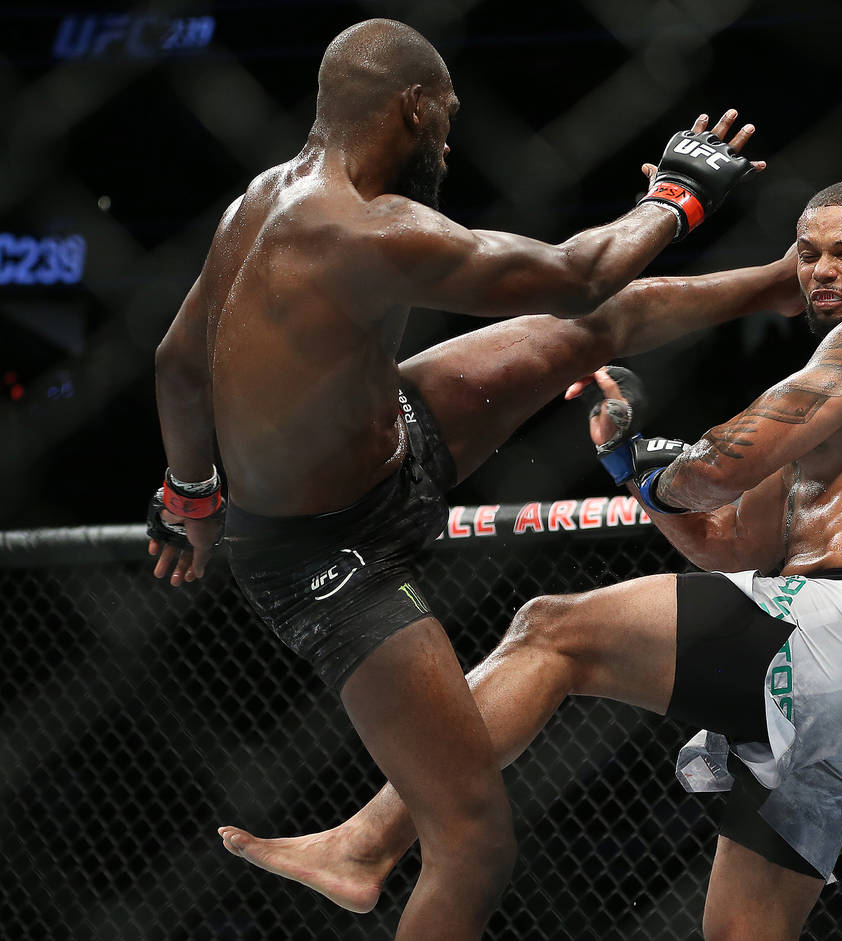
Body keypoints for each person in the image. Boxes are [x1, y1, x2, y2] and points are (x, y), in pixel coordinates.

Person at [147, 17, 801, 940]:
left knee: (584, 336)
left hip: (396, 433)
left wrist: (188, 493)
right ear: (413, 106)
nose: (449, 141)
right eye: (447, 118)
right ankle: (366, 858)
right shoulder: (365, 229)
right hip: (329, 555)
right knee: (475, 842)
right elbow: (577, 270)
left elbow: (177, 362)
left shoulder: (258, 199)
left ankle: (774, 285)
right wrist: (678, 196)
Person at [217, 178, 842, 940]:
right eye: (807, 255)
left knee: (552, 631)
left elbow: (719, 468)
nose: (822, 272)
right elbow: (728, 541)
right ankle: (365, 846)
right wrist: (633, 466)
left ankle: (366, 842)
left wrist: (674, 467)